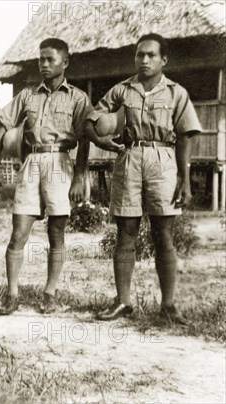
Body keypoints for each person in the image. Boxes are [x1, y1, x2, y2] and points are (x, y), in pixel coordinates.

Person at [85, 33, 202, 325]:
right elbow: (91, 119)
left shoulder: (176, 93)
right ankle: (123, 302)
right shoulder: (122, 90)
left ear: (164, 60)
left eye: (151, 55)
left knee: (163, 235)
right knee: (126, 234)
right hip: (129, 159)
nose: (144, 60)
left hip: (164, 161)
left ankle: (169, 306)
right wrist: (104, 143)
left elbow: (185, 137)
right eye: (140, 55)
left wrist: (184, 181)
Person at [0, 38, 91, 315]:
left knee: (56, 233)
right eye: (41, 60)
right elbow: (1, 125)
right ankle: (11, 294)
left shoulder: (78, 98)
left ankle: (50, 292)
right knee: (18, 233)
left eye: (51, 60)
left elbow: (85, 138)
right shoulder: (27, 95)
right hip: (32, 161)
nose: (44, 65)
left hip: (60, 162)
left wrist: (80, 177)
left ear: (65, 62)